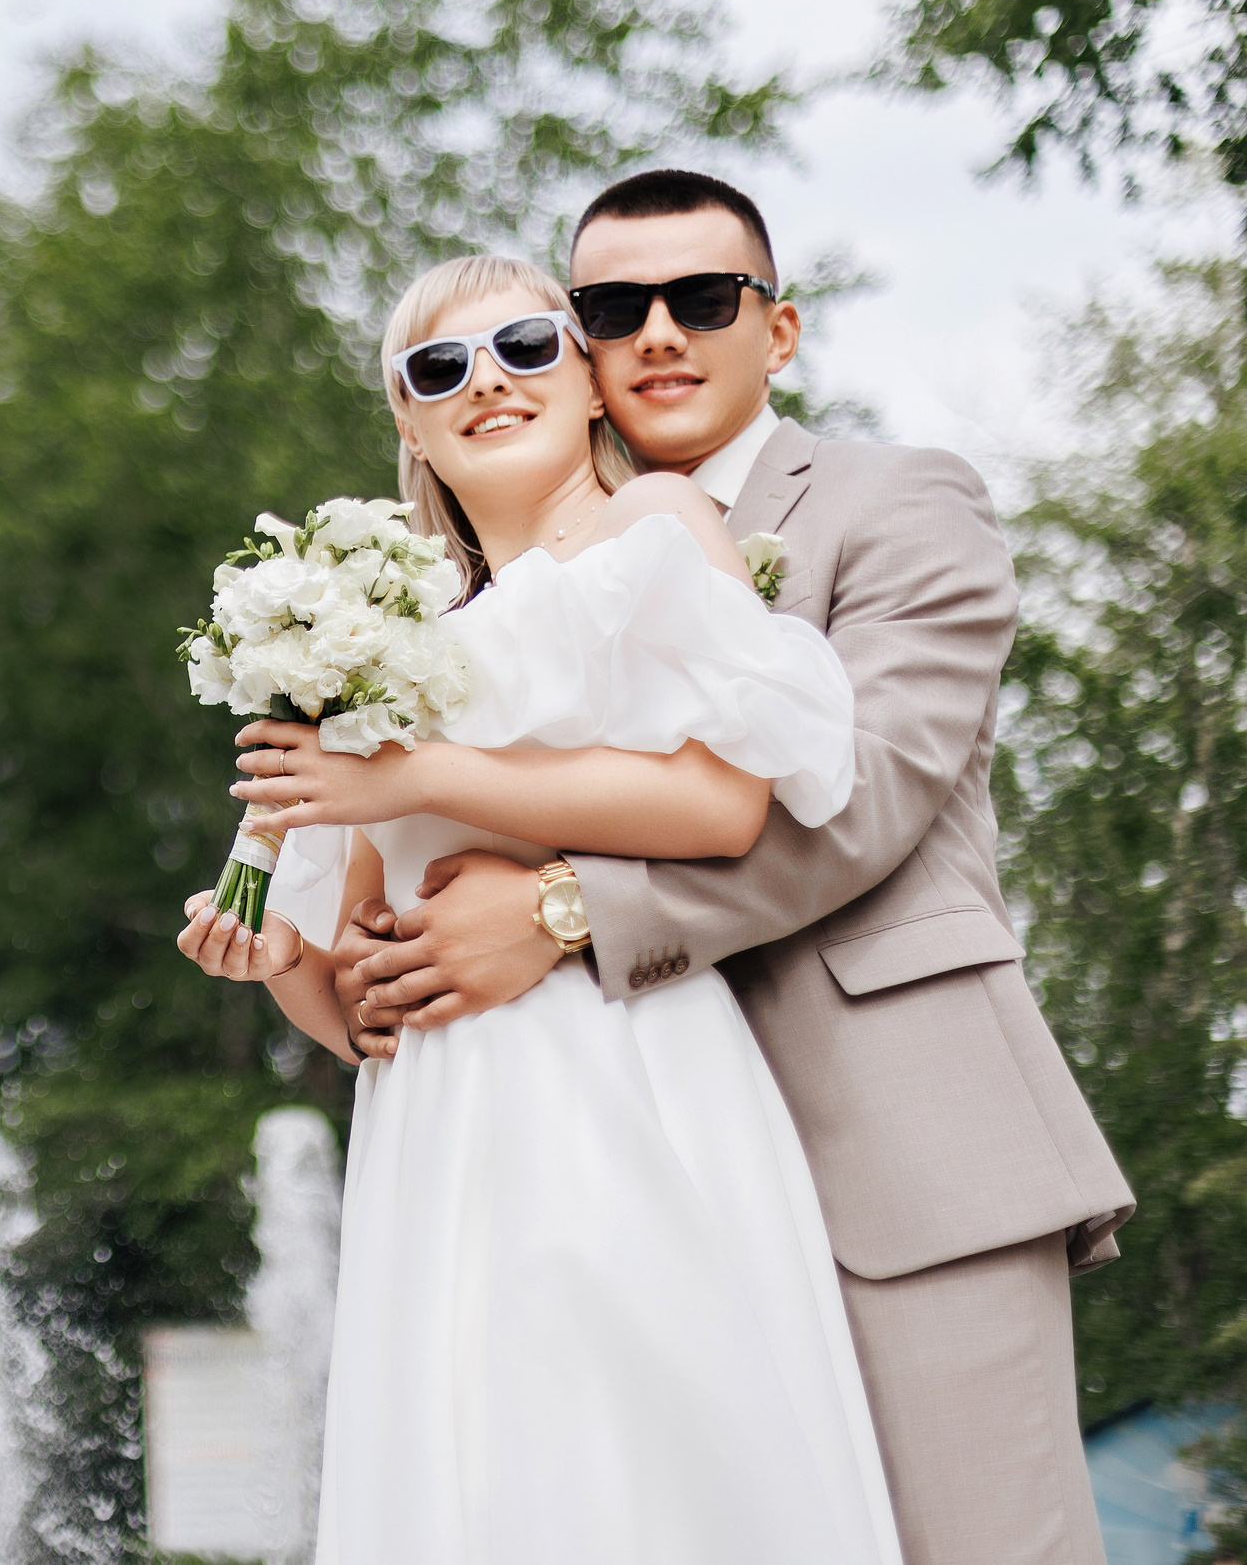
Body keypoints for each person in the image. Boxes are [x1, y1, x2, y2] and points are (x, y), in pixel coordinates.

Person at [344, 170, 1129, 1565]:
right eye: (609, 307)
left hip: (897, 1158)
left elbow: (868, 798)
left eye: (704, 299)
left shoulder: (901, 502)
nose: (657, 333)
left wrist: (566, 911)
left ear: (778, 331)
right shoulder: (507, 579)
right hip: (635, 1162)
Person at [179, 250, 900, 1562]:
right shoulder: (369, 643)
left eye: (523, 347)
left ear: (586, 379)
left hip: (620, 1062)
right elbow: (358, 1011)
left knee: (645, 1467)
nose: (488, 384)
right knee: (479, 1476)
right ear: (406, 417)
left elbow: (718, 809)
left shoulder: (655, 534)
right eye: (439, 368)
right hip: (440, 1124)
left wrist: (414, 773)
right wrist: (270, 949)